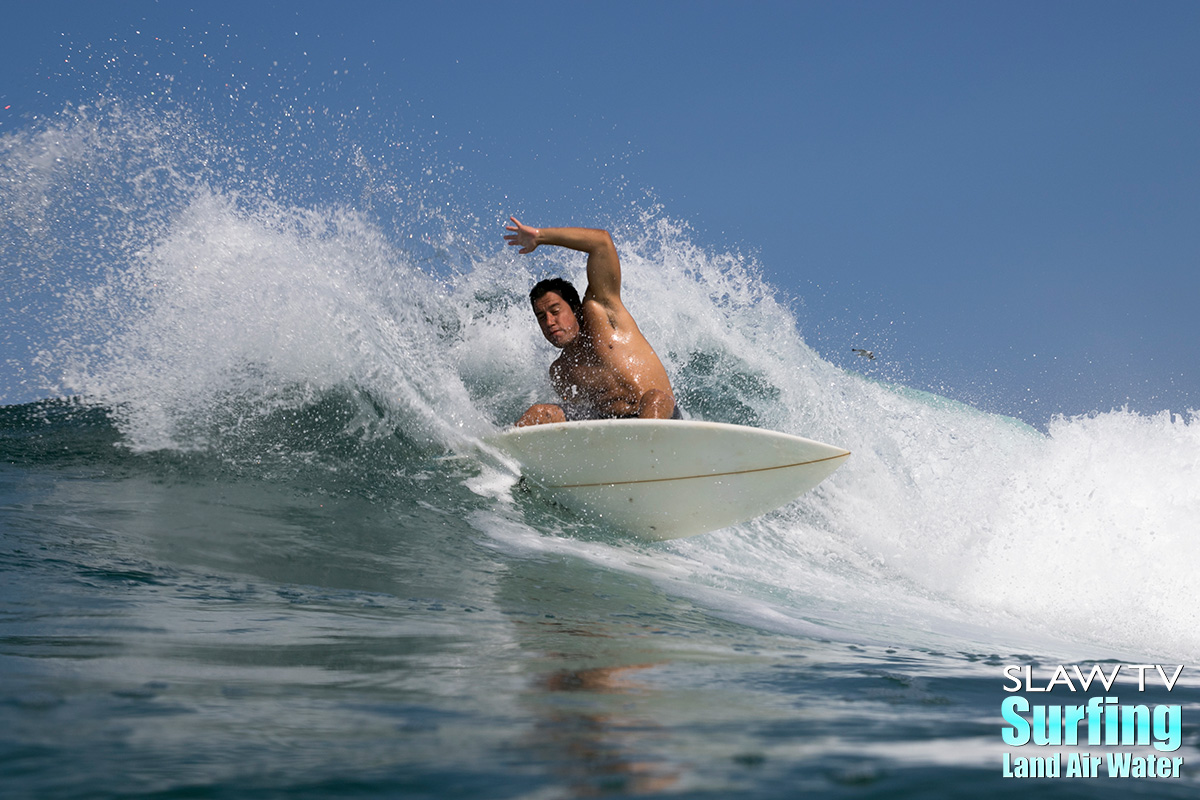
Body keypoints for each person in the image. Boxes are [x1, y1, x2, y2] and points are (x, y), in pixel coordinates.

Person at [504, 216, 679, 427]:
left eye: (555, 311)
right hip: (613, 432)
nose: (550, 322)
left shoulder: (601, 314)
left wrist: (540, 237)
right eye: (542, 317)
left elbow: (601, 243)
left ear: (576, 309)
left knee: (655, 398)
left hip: (660, 418)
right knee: (539, 413)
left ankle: (648, 452)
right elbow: (579, 420)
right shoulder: (561, 371)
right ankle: (499, 455)